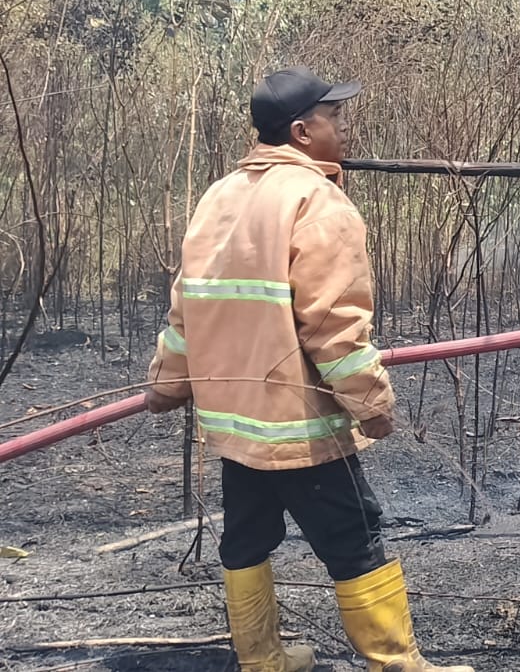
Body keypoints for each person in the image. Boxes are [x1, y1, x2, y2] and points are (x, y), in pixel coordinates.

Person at [145, 67, 471, 672]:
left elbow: (185, 310)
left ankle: (263, 660)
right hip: (297, 423)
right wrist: (372, 404)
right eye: (334, 118)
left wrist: (166, 382)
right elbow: (334, 325)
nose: (344, 130)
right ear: (301, 131)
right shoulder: (318, 202)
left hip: (235, 425)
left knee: (245, 537)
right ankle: (397, 665)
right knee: (356, 537)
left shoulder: (218, 196)